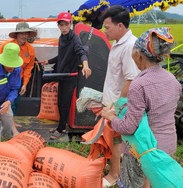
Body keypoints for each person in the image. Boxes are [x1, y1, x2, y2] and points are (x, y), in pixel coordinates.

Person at [101, 27, 180, 188]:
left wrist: (111, 117)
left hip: (143, 148)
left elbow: (129, 127)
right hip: (167, 144)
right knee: (151, 180)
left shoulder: (139, 84)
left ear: (139, 54)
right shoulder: (172, 79)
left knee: (131, 184)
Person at [99, 5, 140, 187]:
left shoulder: (130, 46)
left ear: (120, 26)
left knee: (116, 140)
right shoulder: (118, 43)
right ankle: (114, 168)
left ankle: (115, 174)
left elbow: (130, 80)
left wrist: (115, 107)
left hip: (119, 105)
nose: (104, 31)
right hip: (111, 101)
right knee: (114, 139)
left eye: (107, 27)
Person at [42, 12, 91, 140]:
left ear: (71, 24)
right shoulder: (61, 38)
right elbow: (62, 56)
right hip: (61, 74)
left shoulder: (75, 39)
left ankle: (61, 129)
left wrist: (85, 65)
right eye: (61, 24)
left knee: (64, 103)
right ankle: (61, 125)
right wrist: (49, 61)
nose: (64, 27)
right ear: (58, 25)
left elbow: (81, 52)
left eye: (66, 24)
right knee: (59, 102)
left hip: (70, 76)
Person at [0, 22, 37, 136]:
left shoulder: (30, 49)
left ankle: (12, 122)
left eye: (26, 33)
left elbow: (29, 68)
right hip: (5, 79)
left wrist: (25, 84)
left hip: (18, 80)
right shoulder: (7, 46)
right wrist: (1, 76)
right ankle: (11, 128)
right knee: (6, 102)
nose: (24, 36)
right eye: (21, 33)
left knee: (15, 102)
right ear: (16, 34)